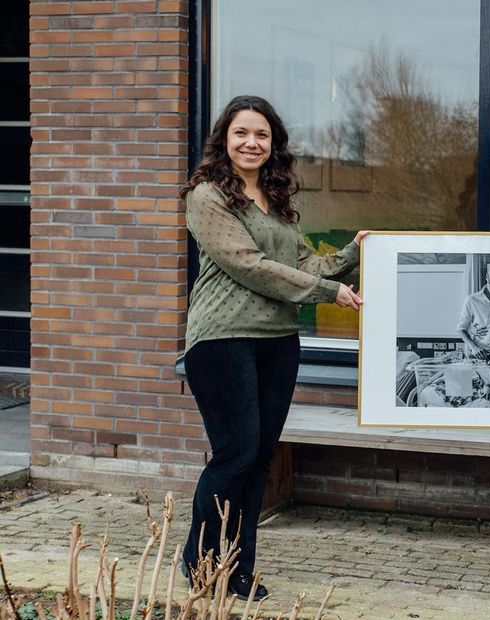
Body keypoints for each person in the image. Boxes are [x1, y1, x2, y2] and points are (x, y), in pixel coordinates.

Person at [180, 95, 367, 600]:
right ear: (224, 139)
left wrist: (355, 252)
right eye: (242, 133)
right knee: (235, 454)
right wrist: (330, 293)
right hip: (222, 342)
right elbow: (249, 265)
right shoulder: (207, 196)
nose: (252, 143)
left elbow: (305, 264)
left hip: (278, 343)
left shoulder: (277, 201)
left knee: (261, 459)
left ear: (273, 145)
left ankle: (239, 570)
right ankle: (200, 562)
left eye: (262, 135)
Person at [458, 262, 490, 359]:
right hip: (478, 354)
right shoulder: (472, 300)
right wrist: (474, 347)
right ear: (487, 277)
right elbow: (461, 329)